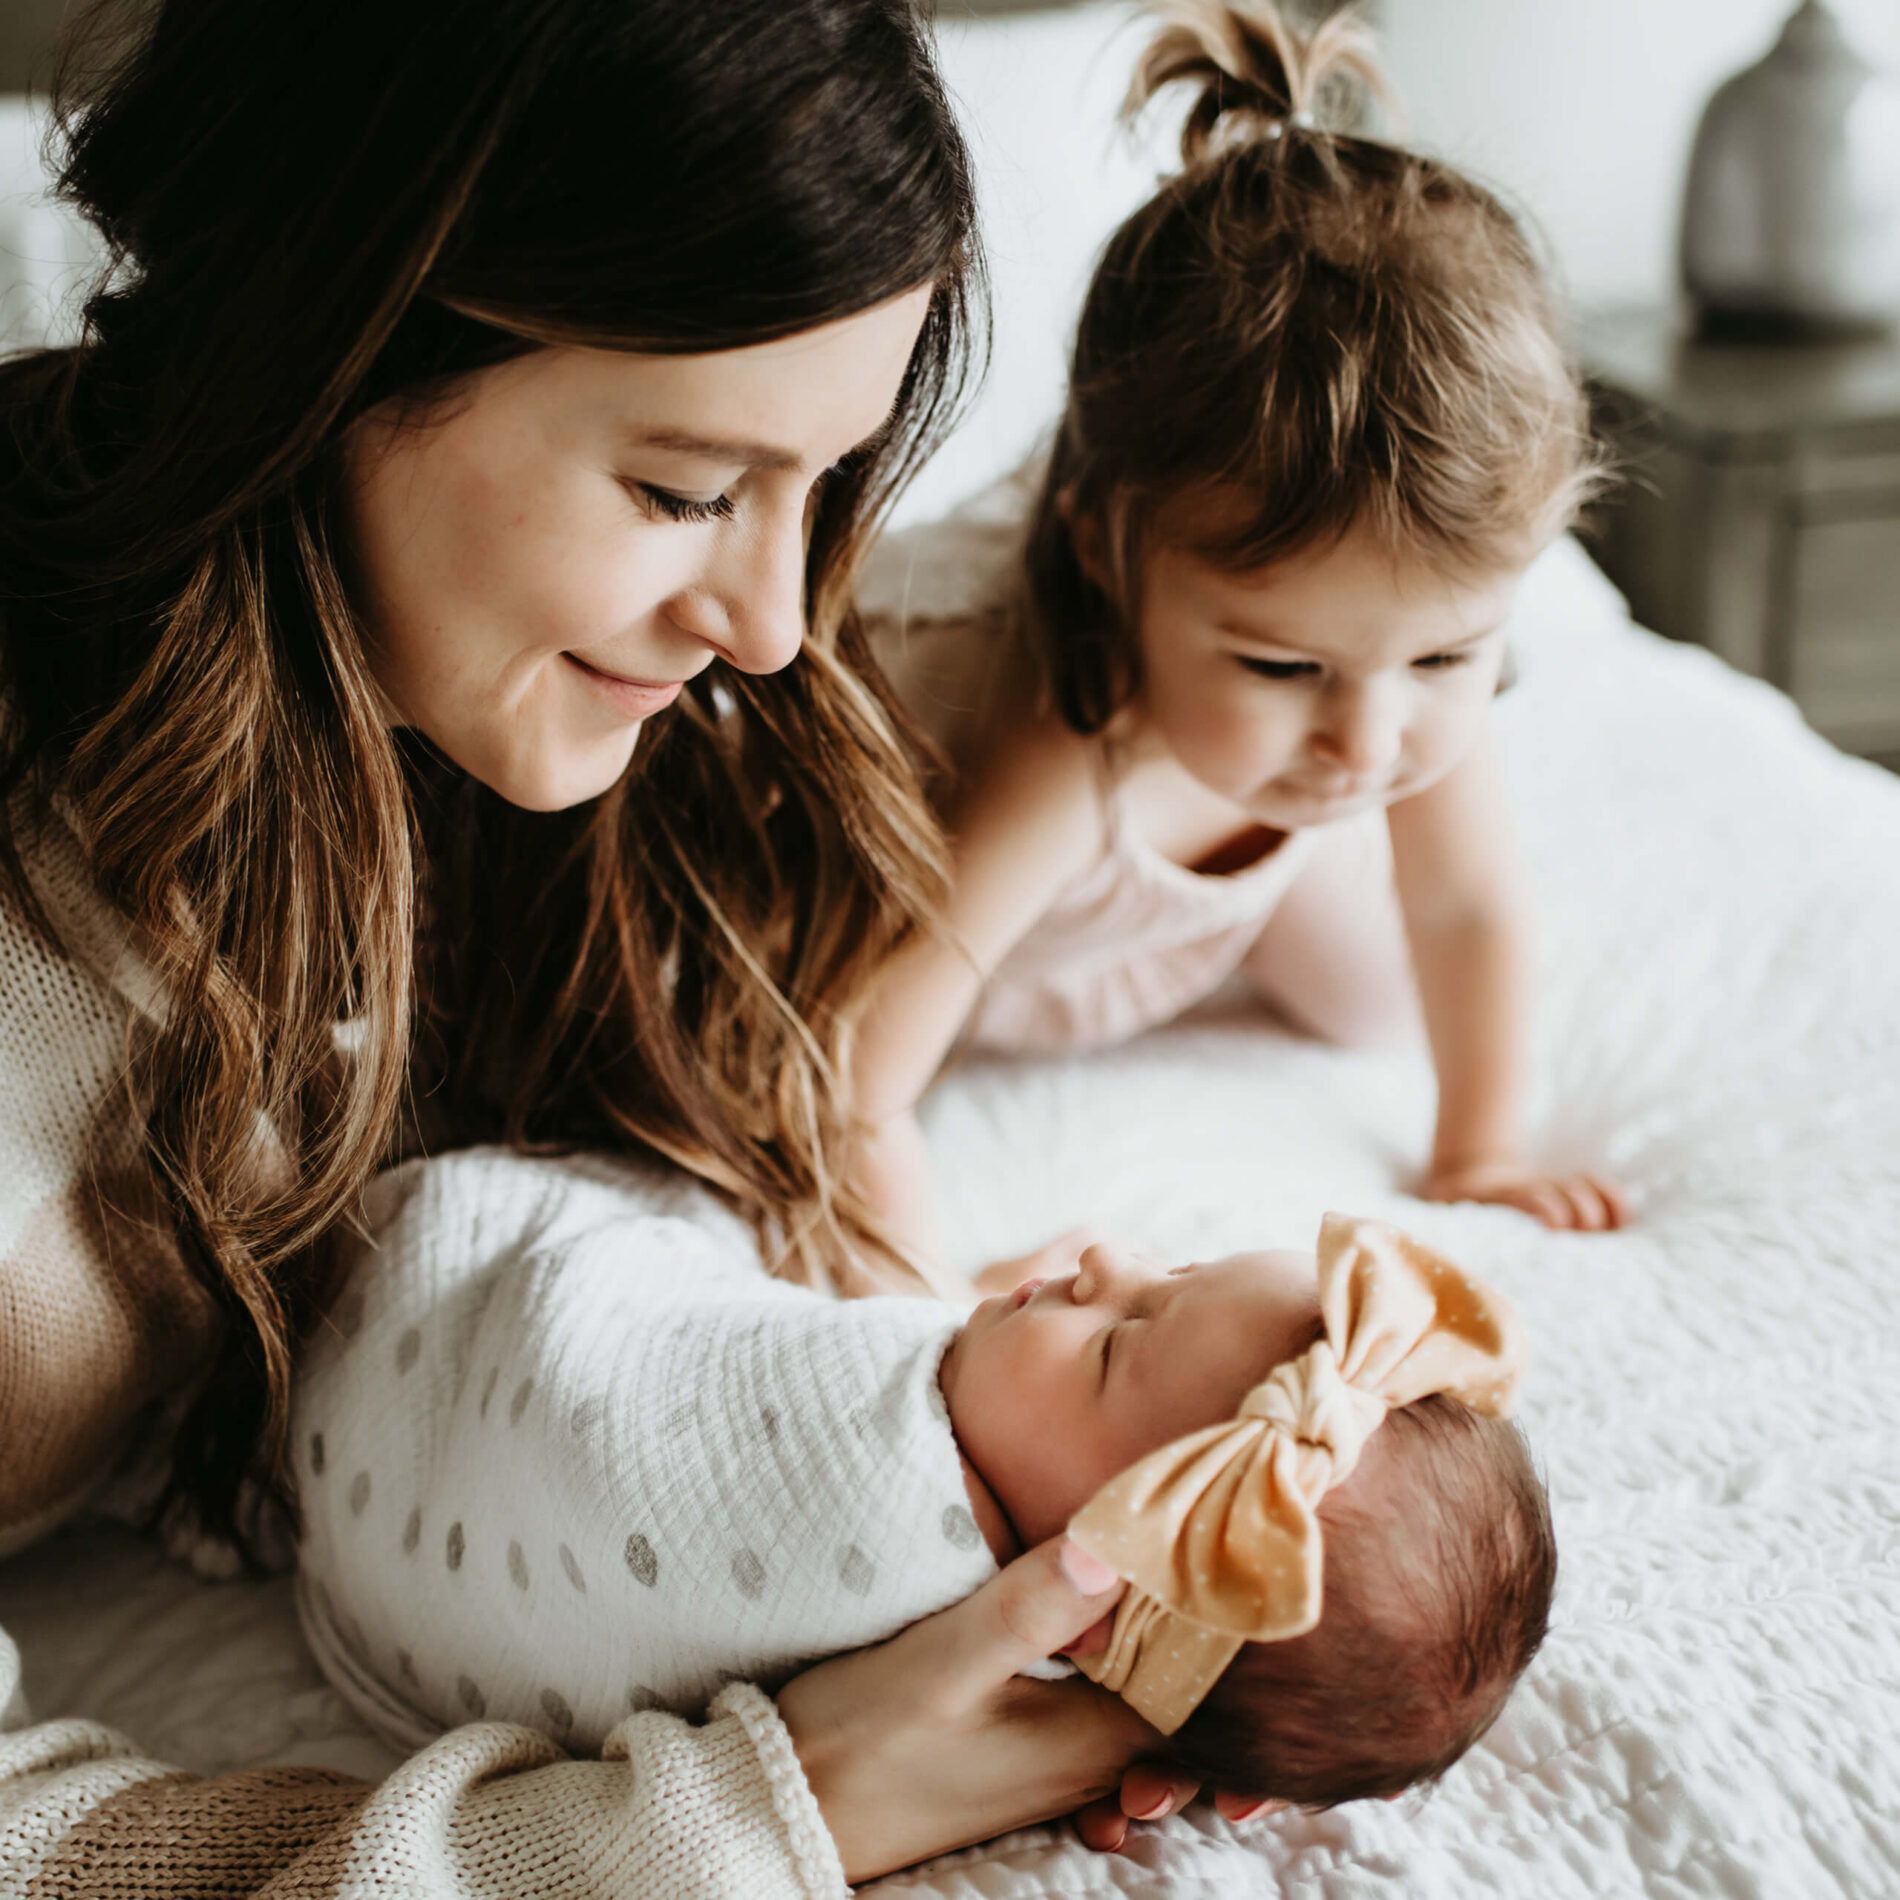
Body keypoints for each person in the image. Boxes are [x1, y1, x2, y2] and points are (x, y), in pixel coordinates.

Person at [0, 0, 1215, 1887]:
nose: (768, 626)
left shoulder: (475, 718)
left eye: (819, 489)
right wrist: (760, 1811)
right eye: (684, 489)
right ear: (332, 343)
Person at [847, 0, 1629, 1268]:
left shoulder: (1384, 664)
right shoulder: (1062, 719)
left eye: (1443, 658)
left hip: (1144, 891)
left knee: (1377, 994)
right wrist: (922, 1304)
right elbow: (859, 1075)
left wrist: (1478, 1155)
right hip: (958, 920)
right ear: (1106, 548)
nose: (1364, 742)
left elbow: (1469, 901)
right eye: (1281, 664)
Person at [294, 1147, 1552, 1812]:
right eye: (1168, 1272)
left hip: (405, 1315)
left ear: (1098, 1606)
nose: (1103, 1256)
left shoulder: (884, 1441)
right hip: (392, 1591)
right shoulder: (992, 1700)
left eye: (1117, 1340)